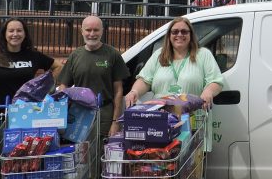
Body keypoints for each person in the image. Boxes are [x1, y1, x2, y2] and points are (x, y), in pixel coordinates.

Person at [123, 17, 224, 148]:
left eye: (184, 31)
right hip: (160, 122)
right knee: (161, 158)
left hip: (191, 121)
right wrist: (134, 91)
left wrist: (208, 91)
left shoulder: (203, 55)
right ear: (169, 35)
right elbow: (144, 79)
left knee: (189, 159)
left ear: (191, 34)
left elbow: (216, 81)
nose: (179, 35)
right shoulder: (159, 55)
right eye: (175, 32)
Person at [56, 15, 129, 137]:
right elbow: (63, 86)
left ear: (102, 31)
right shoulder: (75, 56)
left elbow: (118, 91)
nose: (92, 34)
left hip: (104, 113)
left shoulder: (112, 54)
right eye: (88, 30)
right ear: (82, 31)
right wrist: (61, 113)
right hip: (79, 113)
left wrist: (115, 121)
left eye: (96, 30)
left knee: (100, 146)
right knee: (80, 147)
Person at [0, 17, 57, 106]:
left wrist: (46, 88)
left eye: (19, 31)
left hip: (24, 109)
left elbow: (58, 67)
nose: (15, 34)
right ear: (4, 34)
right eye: (11, 31)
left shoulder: (33, 55)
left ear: (25, 34)